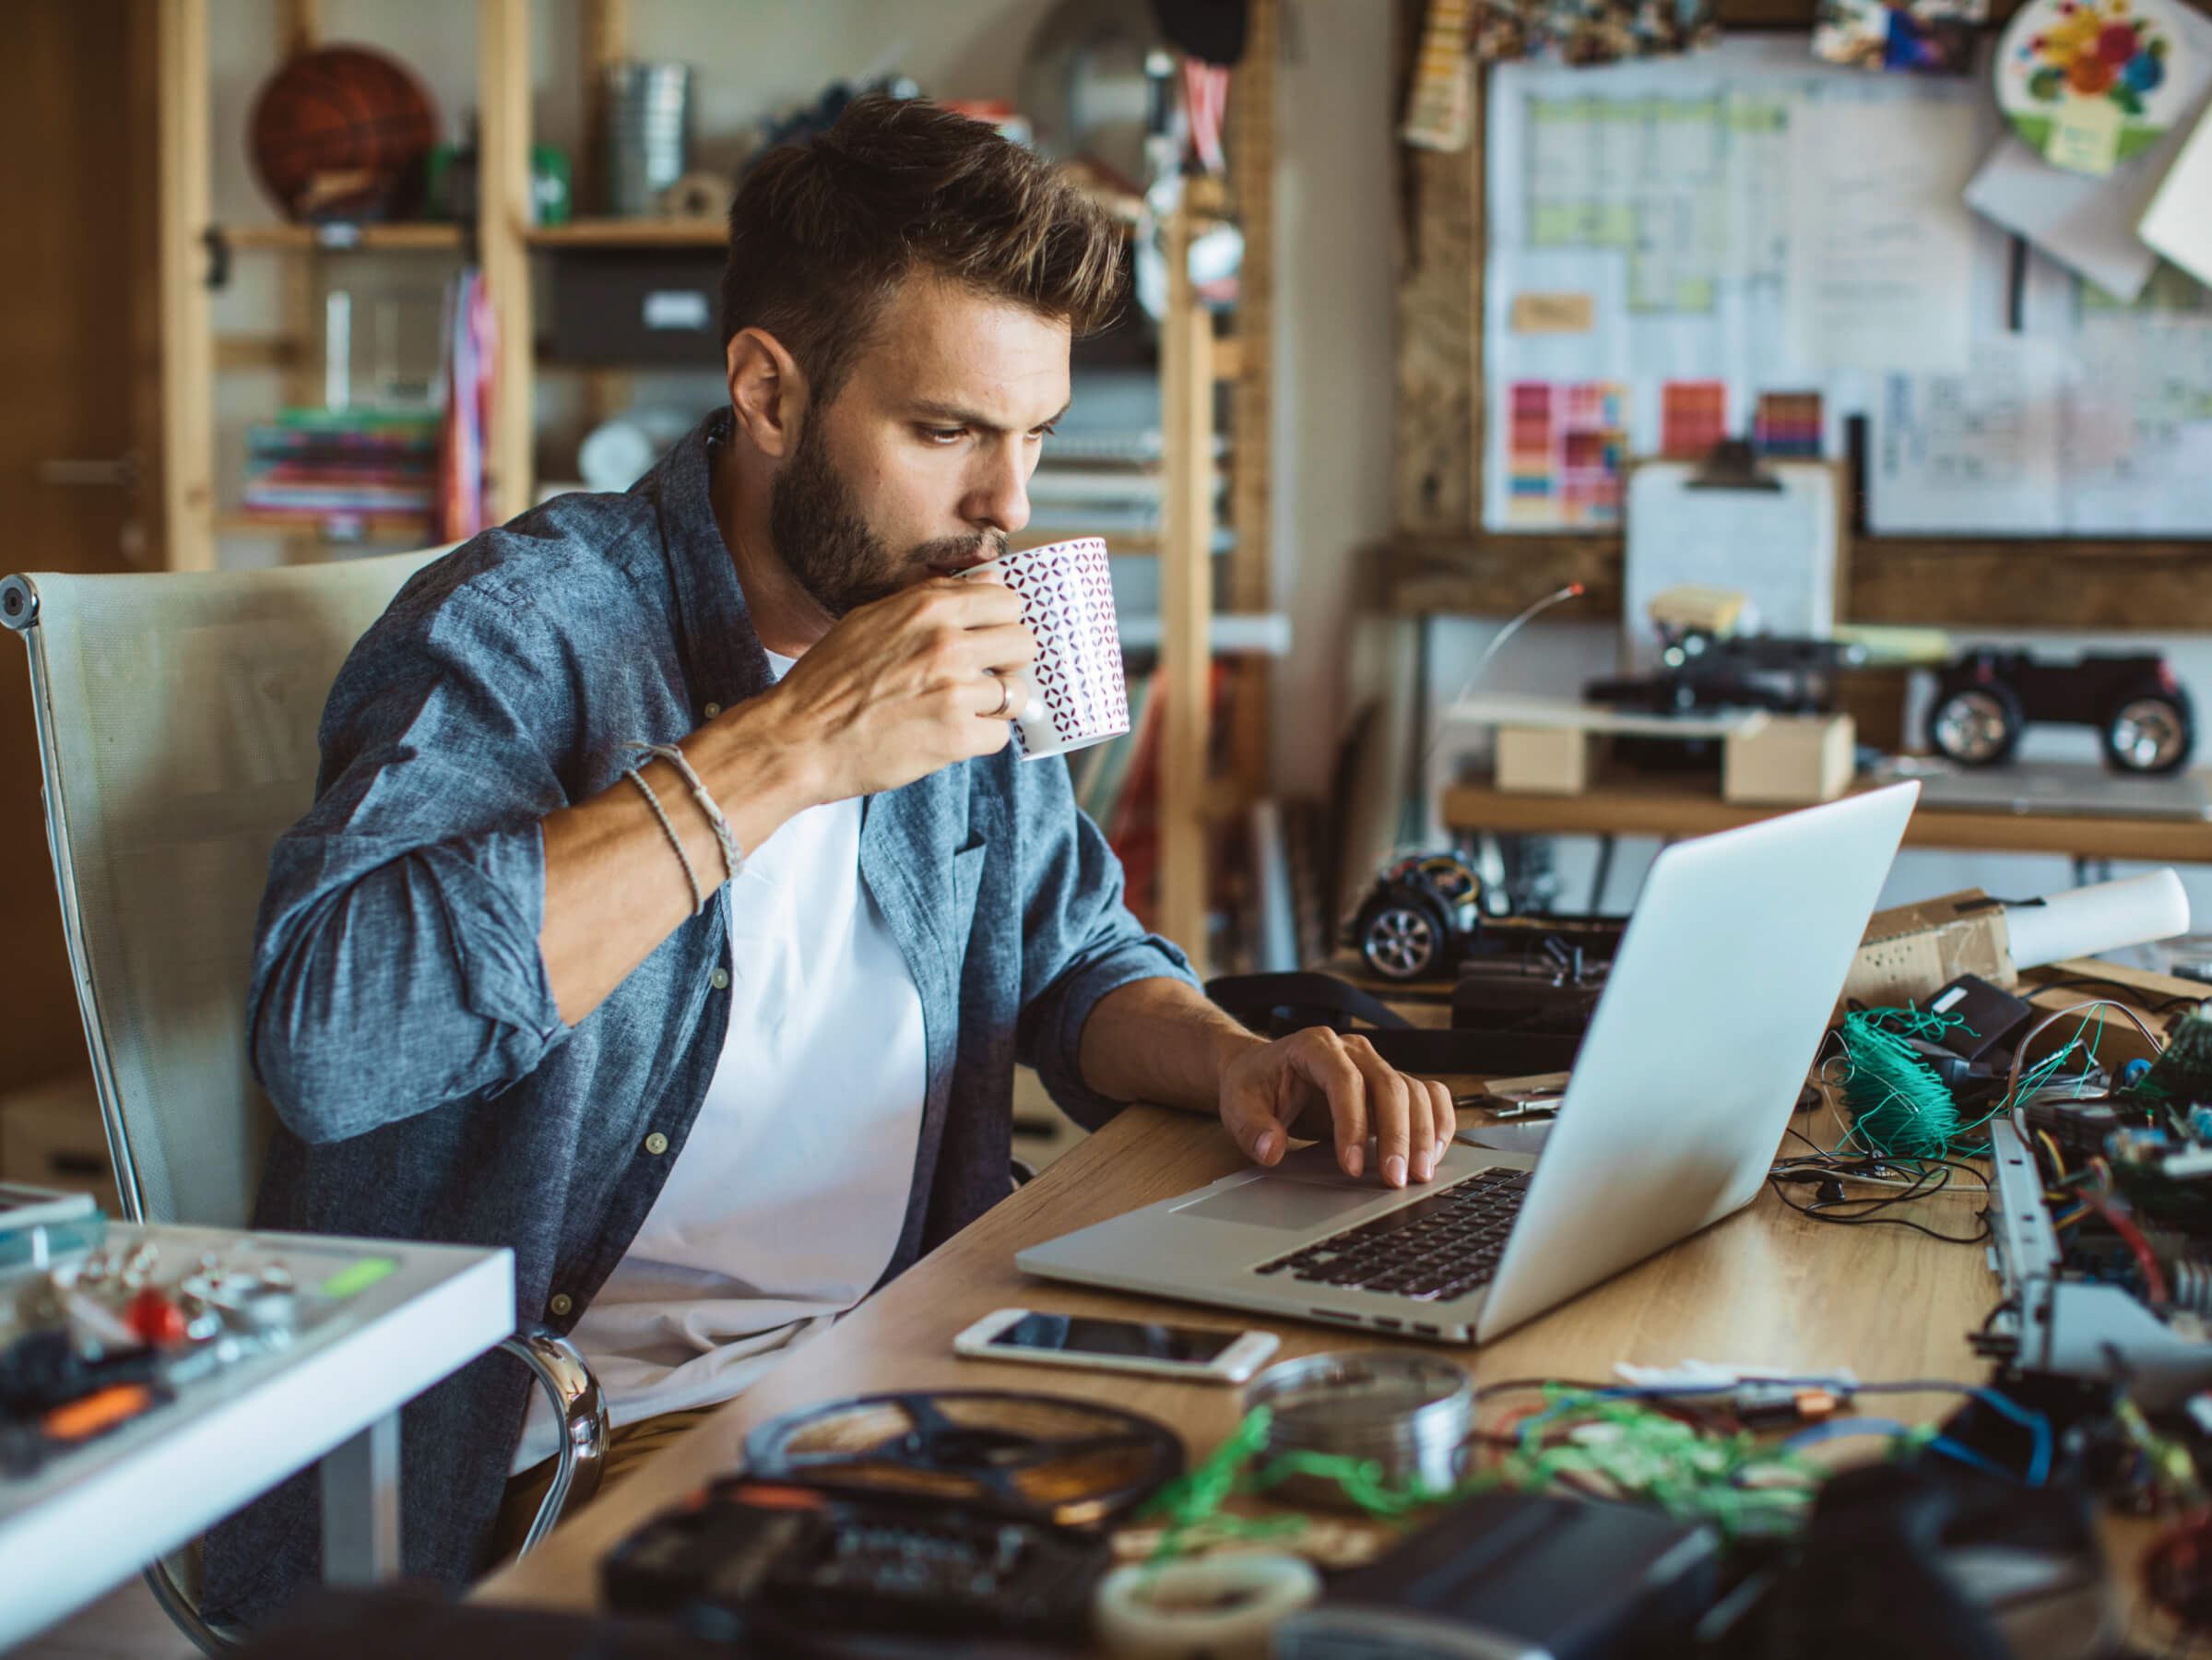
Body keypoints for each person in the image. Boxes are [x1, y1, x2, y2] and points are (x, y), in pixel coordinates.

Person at [207, 95, 1454, 1619]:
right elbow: (333, 1043)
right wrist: (794, 746)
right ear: (769, 391)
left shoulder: (955, 602)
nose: (1008, 508)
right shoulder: (525, 626)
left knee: (1362, 1531)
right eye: (947, 434)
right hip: (557, 1455)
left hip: (914, 1366)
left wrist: (1225, 1055)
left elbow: (1069, 955)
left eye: (1036, 436)